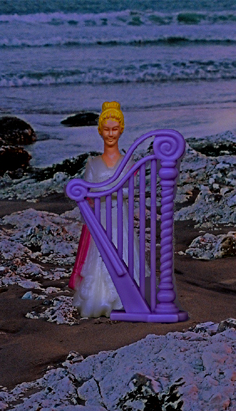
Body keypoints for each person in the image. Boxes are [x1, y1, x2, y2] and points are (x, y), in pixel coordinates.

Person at [71, 101, 138, 318]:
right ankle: (99, 299)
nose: (110, 134)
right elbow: (88, 191)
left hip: (120, 216)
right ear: (100, 131)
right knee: (100, 254)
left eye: (115, 129)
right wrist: (105, 192)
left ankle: (126, 296)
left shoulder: (127, 162)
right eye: (106, 129)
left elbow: (130, 191)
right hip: (101, 217)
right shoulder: (93, 163)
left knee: (123, 248)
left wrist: (109, 191)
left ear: (121, 130)